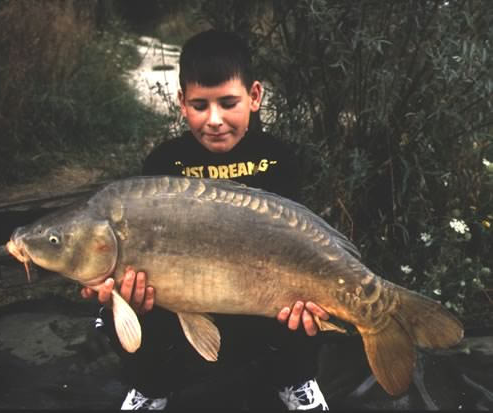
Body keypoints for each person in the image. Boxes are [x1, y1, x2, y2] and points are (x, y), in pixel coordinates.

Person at [82, 29, 330, 410]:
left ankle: (296, 380)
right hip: (184, 291)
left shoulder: (280, 158)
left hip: (260, 287)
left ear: (255, 97)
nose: (214, 120)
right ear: (182, 102)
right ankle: (151, 386)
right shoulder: (165, 162)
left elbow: (297, 237)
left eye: (228, 103)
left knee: (301, 311)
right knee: (140, 300)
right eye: (200, 105)